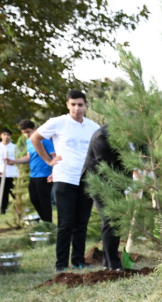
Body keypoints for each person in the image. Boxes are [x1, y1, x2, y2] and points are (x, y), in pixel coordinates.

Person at [31, 89, 101, 271]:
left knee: (81, 223)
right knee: (66, 223)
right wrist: (48, 160)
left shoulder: (93, 127)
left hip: (87, 179)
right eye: (73, 104)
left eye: (80, 105)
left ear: (85, 105)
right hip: (65, 178)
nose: (77, 108)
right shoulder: (58, 122)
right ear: (67, 105)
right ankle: (61, 264)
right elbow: (34, 138)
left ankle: (78, 261)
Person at [83, 125, 129, 271]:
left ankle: (108, 262)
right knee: (110, 219)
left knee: (115, 220)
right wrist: (129, 184)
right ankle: (113, 264)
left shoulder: (129, 136)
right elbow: (107, 169)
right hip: (100, 183)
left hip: (116, 182)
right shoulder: (102, 137)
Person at [10, 120, 56, 223]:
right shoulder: (28, 142)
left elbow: (55, 157)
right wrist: (13, 161)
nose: (26, 135)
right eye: (24, 133)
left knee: (44, 200)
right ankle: (44, 221)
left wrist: (54, 172)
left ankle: (48, 224)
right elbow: (28, 157)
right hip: (33, 175)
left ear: (34, 129)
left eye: (28, 132)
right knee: (34, 199)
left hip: (44, 174)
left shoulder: (45, 140)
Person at [0, 129, 19, 215]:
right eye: (4, 134)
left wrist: (13, 162)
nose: (6, 137)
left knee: (15, 192)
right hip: (2, 173)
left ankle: (18, 208)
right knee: (3, 192)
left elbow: (19, 158)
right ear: (1, 135)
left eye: (8, 135)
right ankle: (3, 209)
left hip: (13, 173)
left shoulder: (15, 147)